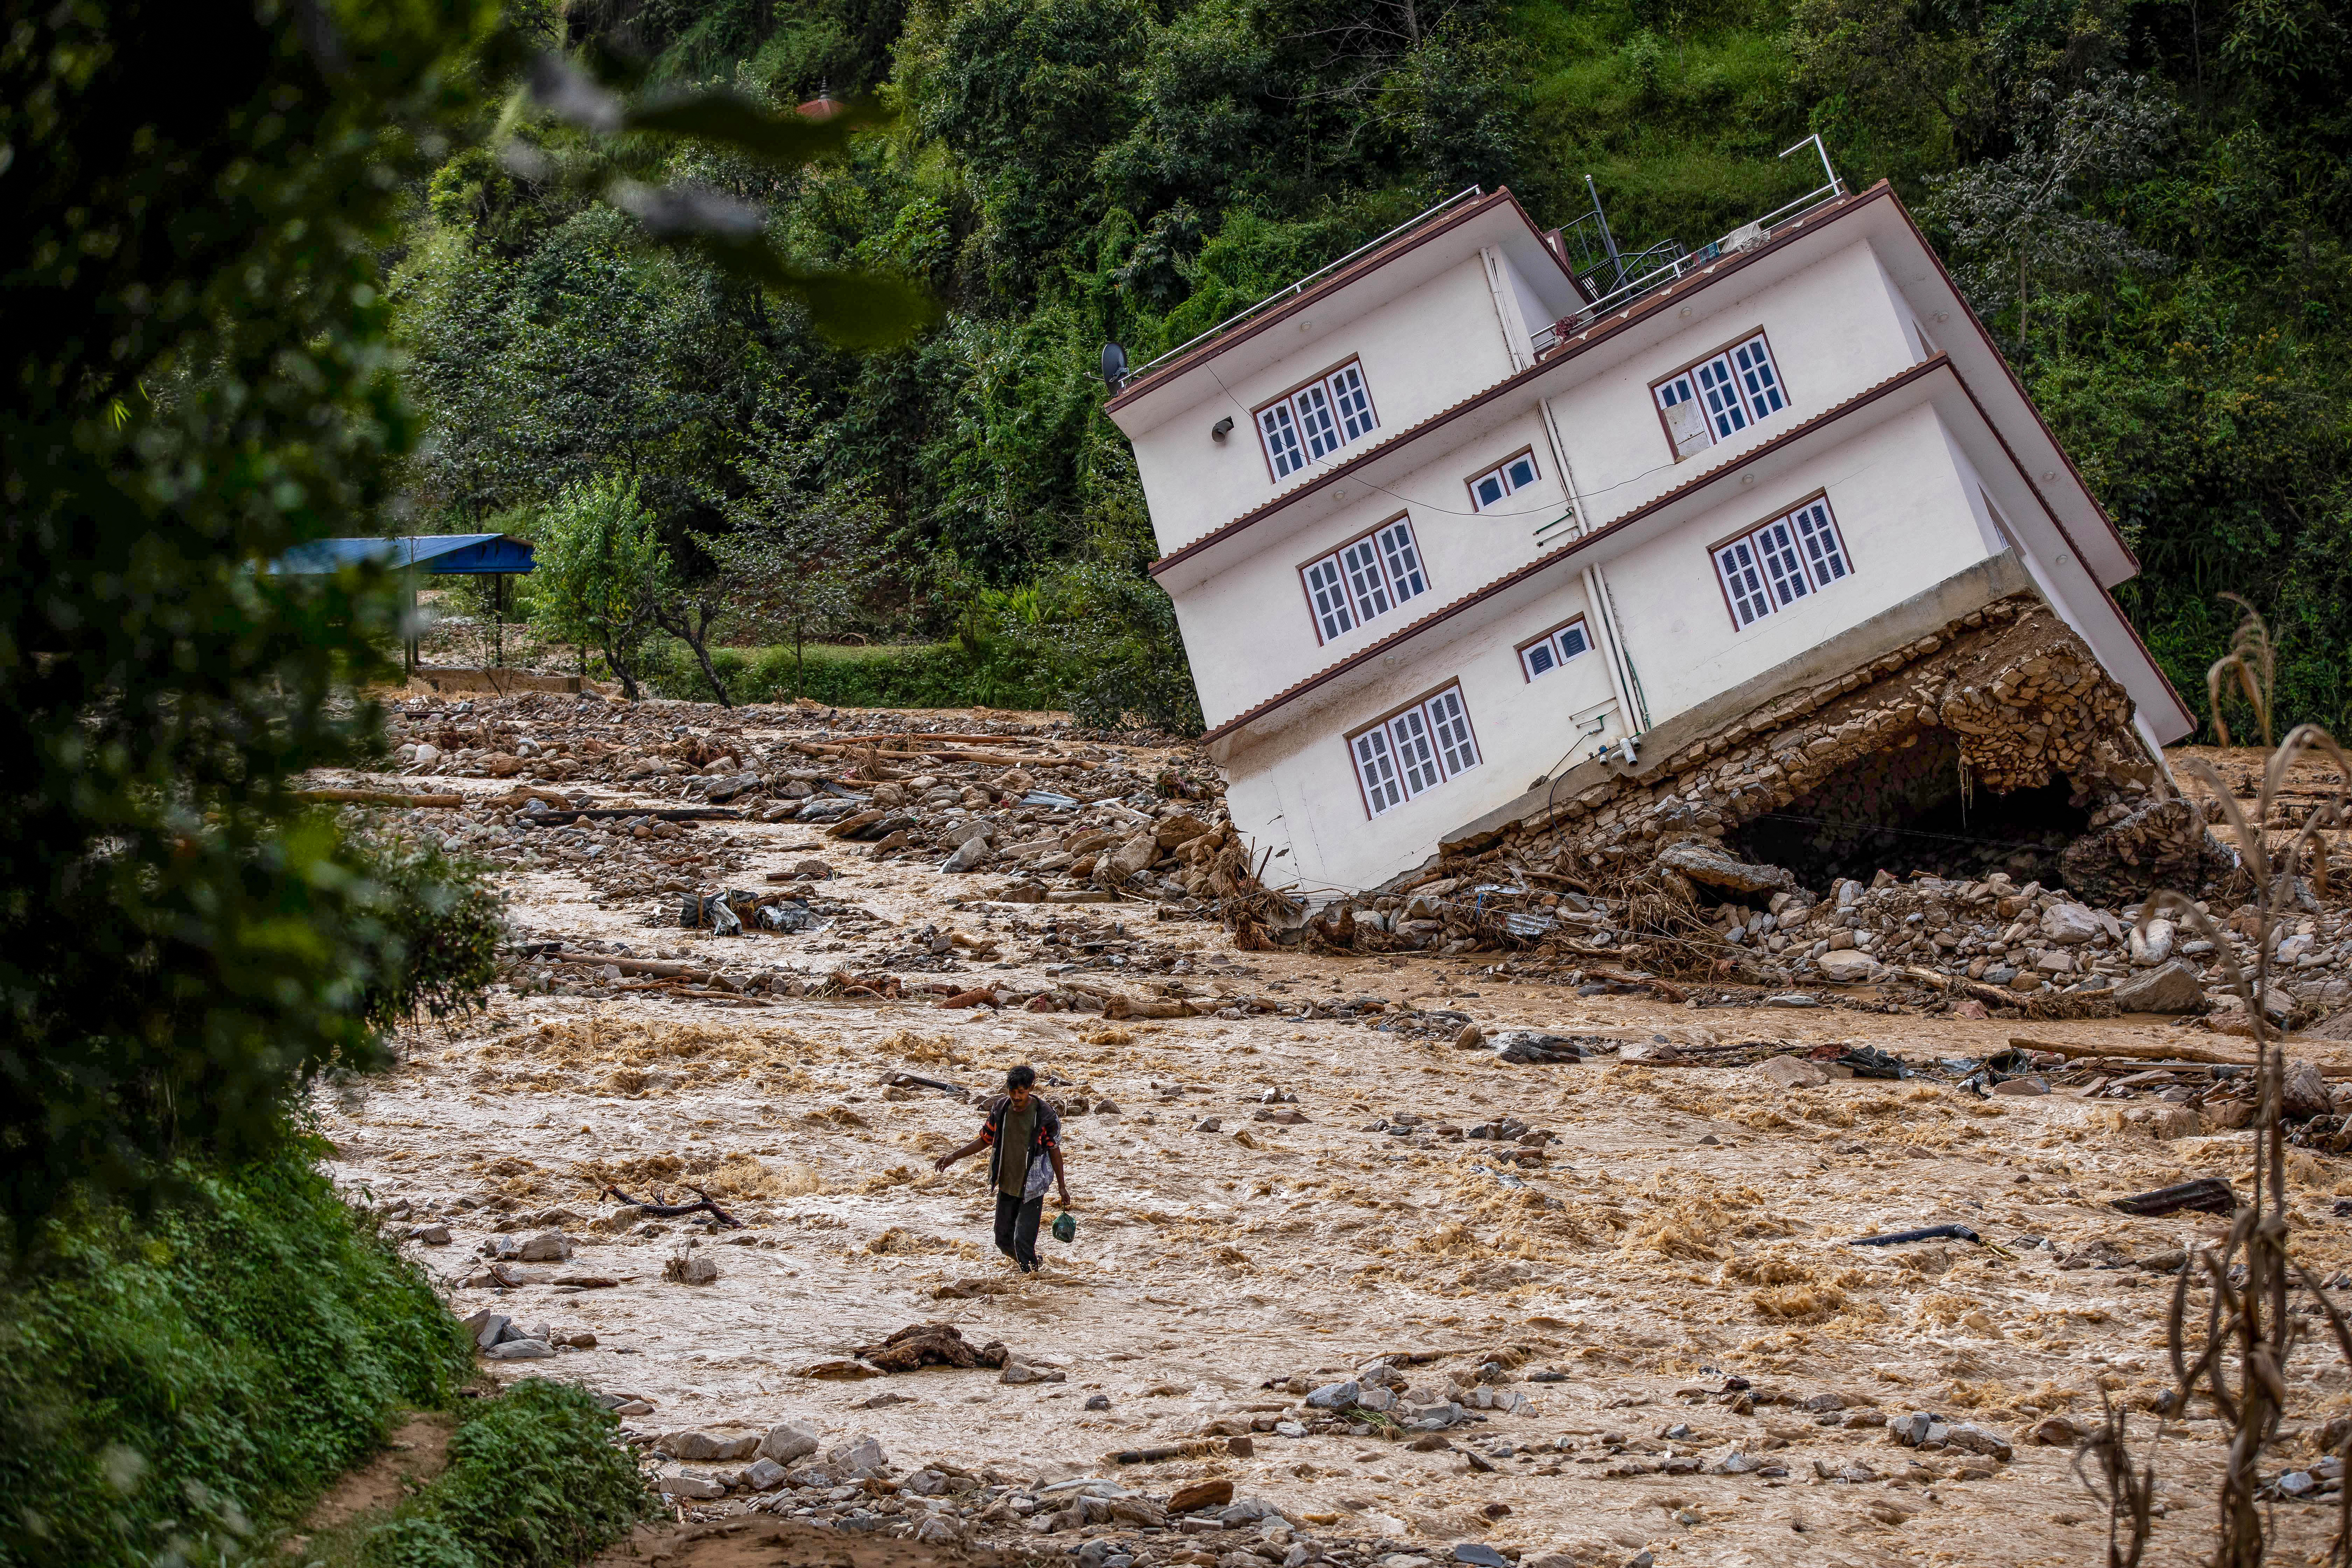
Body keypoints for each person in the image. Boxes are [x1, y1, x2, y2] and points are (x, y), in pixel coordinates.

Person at [934, 1064, 1070, 1274]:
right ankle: (1035, 1268)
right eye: (1012, 1091)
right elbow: (985, 1140)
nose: (1016, 1097)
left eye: (1021, 1092)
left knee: (1022, 1241)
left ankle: (1031, 1289)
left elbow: (1054, 1151)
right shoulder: (1000, 1109)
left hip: (1032, 1188)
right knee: (1002, 1240)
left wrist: (1062, 1187)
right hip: (1006, 1184)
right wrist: (954, 1156)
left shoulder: (1044, 1116)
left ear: (1031, 1088)